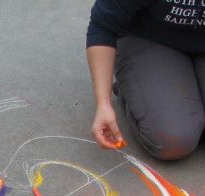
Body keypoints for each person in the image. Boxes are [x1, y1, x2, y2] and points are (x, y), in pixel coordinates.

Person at [86, 0, 205, 160]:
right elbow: (102, 26)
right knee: (173, 138)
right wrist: (103, 103)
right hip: (149, 38)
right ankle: (133, 85)